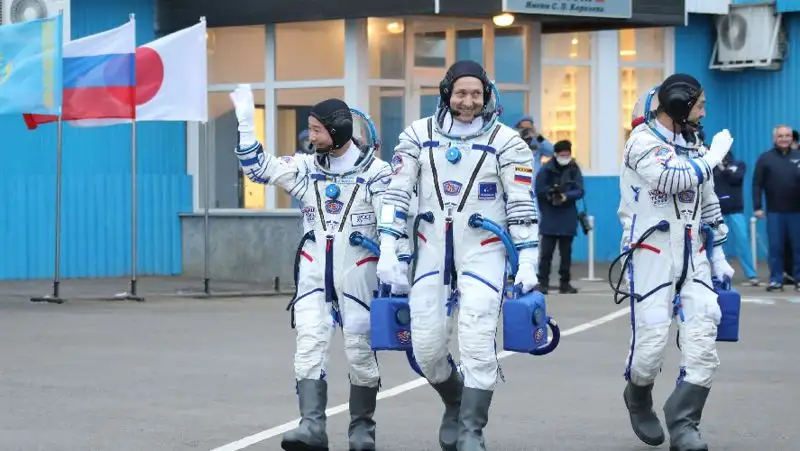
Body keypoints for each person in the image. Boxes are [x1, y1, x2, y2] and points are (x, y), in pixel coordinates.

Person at [230, 84, 410, 451]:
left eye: (316, 130)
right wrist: (246, 124)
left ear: (338, 130)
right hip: (313, 273)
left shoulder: (377, 174)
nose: (310, 137)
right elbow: (259, 170)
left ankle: (362, 428)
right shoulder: (306, 169)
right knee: (308, 346)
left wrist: (396, 260)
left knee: (360, 351)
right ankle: (311, 426)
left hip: (358, 275)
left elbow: (393, 220)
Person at [375, 60, 540, 451]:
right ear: (447, 93)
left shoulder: (507, 142)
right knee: (426, 348)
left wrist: (528, 260)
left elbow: (521, 204)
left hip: (484, 250)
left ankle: (471, 431)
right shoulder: (418, 135)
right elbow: (396, 194)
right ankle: (455, 399)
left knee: (477, 340)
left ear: (487, 96)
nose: (468, 102)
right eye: (461, 93)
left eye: (476, 94)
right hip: (431, 251)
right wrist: (389, 248)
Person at [615, 74, 735, 451]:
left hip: (692, 254)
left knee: (703, 340)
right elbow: (670, 178)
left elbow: (707, 198)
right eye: (699, 105)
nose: (704, 112)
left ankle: (684, 422)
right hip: (651, 253)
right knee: (650, 345)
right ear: (681, 105)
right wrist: (713, 158)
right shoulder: (642, 142)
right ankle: (638, 395)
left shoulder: (693, 145)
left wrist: (718, 254)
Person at [752, 124, 800, 292]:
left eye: (787, 135)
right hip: (775, 212)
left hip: (797, 212)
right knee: (776, 248)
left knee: (798, 247)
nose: (784, 139)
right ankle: (776, 280)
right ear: (775, 138)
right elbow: (757, 184)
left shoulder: (798, 156)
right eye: (780, 136)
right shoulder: (765, 158)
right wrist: (757, 206)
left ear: (791, 138)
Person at [534, 139, 584, 294]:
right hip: (549, 217)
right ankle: (543, 283)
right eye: (562, 155)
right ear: (555, 154)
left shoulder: (574, 169)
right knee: (546, 255)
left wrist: (565, 196)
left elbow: (580, 190)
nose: (565, 157)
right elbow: (539, 190)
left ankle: (565, 284)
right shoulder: (546, 170)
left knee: (566, 254)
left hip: (567, 217)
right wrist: (551, 194)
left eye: (567, 154)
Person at [712, 151, 762, 286]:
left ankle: (751, 275)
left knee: (742, 241)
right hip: (716, 212)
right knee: (720, 243)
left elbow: (736, 178)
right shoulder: (712, 166)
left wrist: (723, 168)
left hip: (736, 211)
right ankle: (722, 275)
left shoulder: (738, 164)